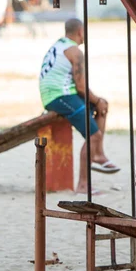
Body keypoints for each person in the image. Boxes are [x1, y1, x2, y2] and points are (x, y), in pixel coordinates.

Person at [39, 18, 120, 194]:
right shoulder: (75, 51)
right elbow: (81, 86)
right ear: (80, 32)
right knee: (93, 135)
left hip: (56, 94)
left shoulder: (60, 45)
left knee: (101, 107)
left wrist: (98, 101)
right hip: (59, 96)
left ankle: (98, 153)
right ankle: (83, 185)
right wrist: (96, 99)